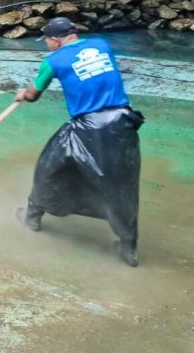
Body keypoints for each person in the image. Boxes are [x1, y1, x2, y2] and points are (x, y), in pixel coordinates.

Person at [14, 17, 145, 267]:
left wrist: (22, 94)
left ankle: (32, 217)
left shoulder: (53, 61)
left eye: (47, 41)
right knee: (121, 187)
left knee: (49, 167)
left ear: (55, 39)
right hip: (123, 123)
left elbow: (32, 95)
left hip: (89, 126)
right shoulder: (102, 45)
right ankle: (129, 248)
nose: (47, 45)